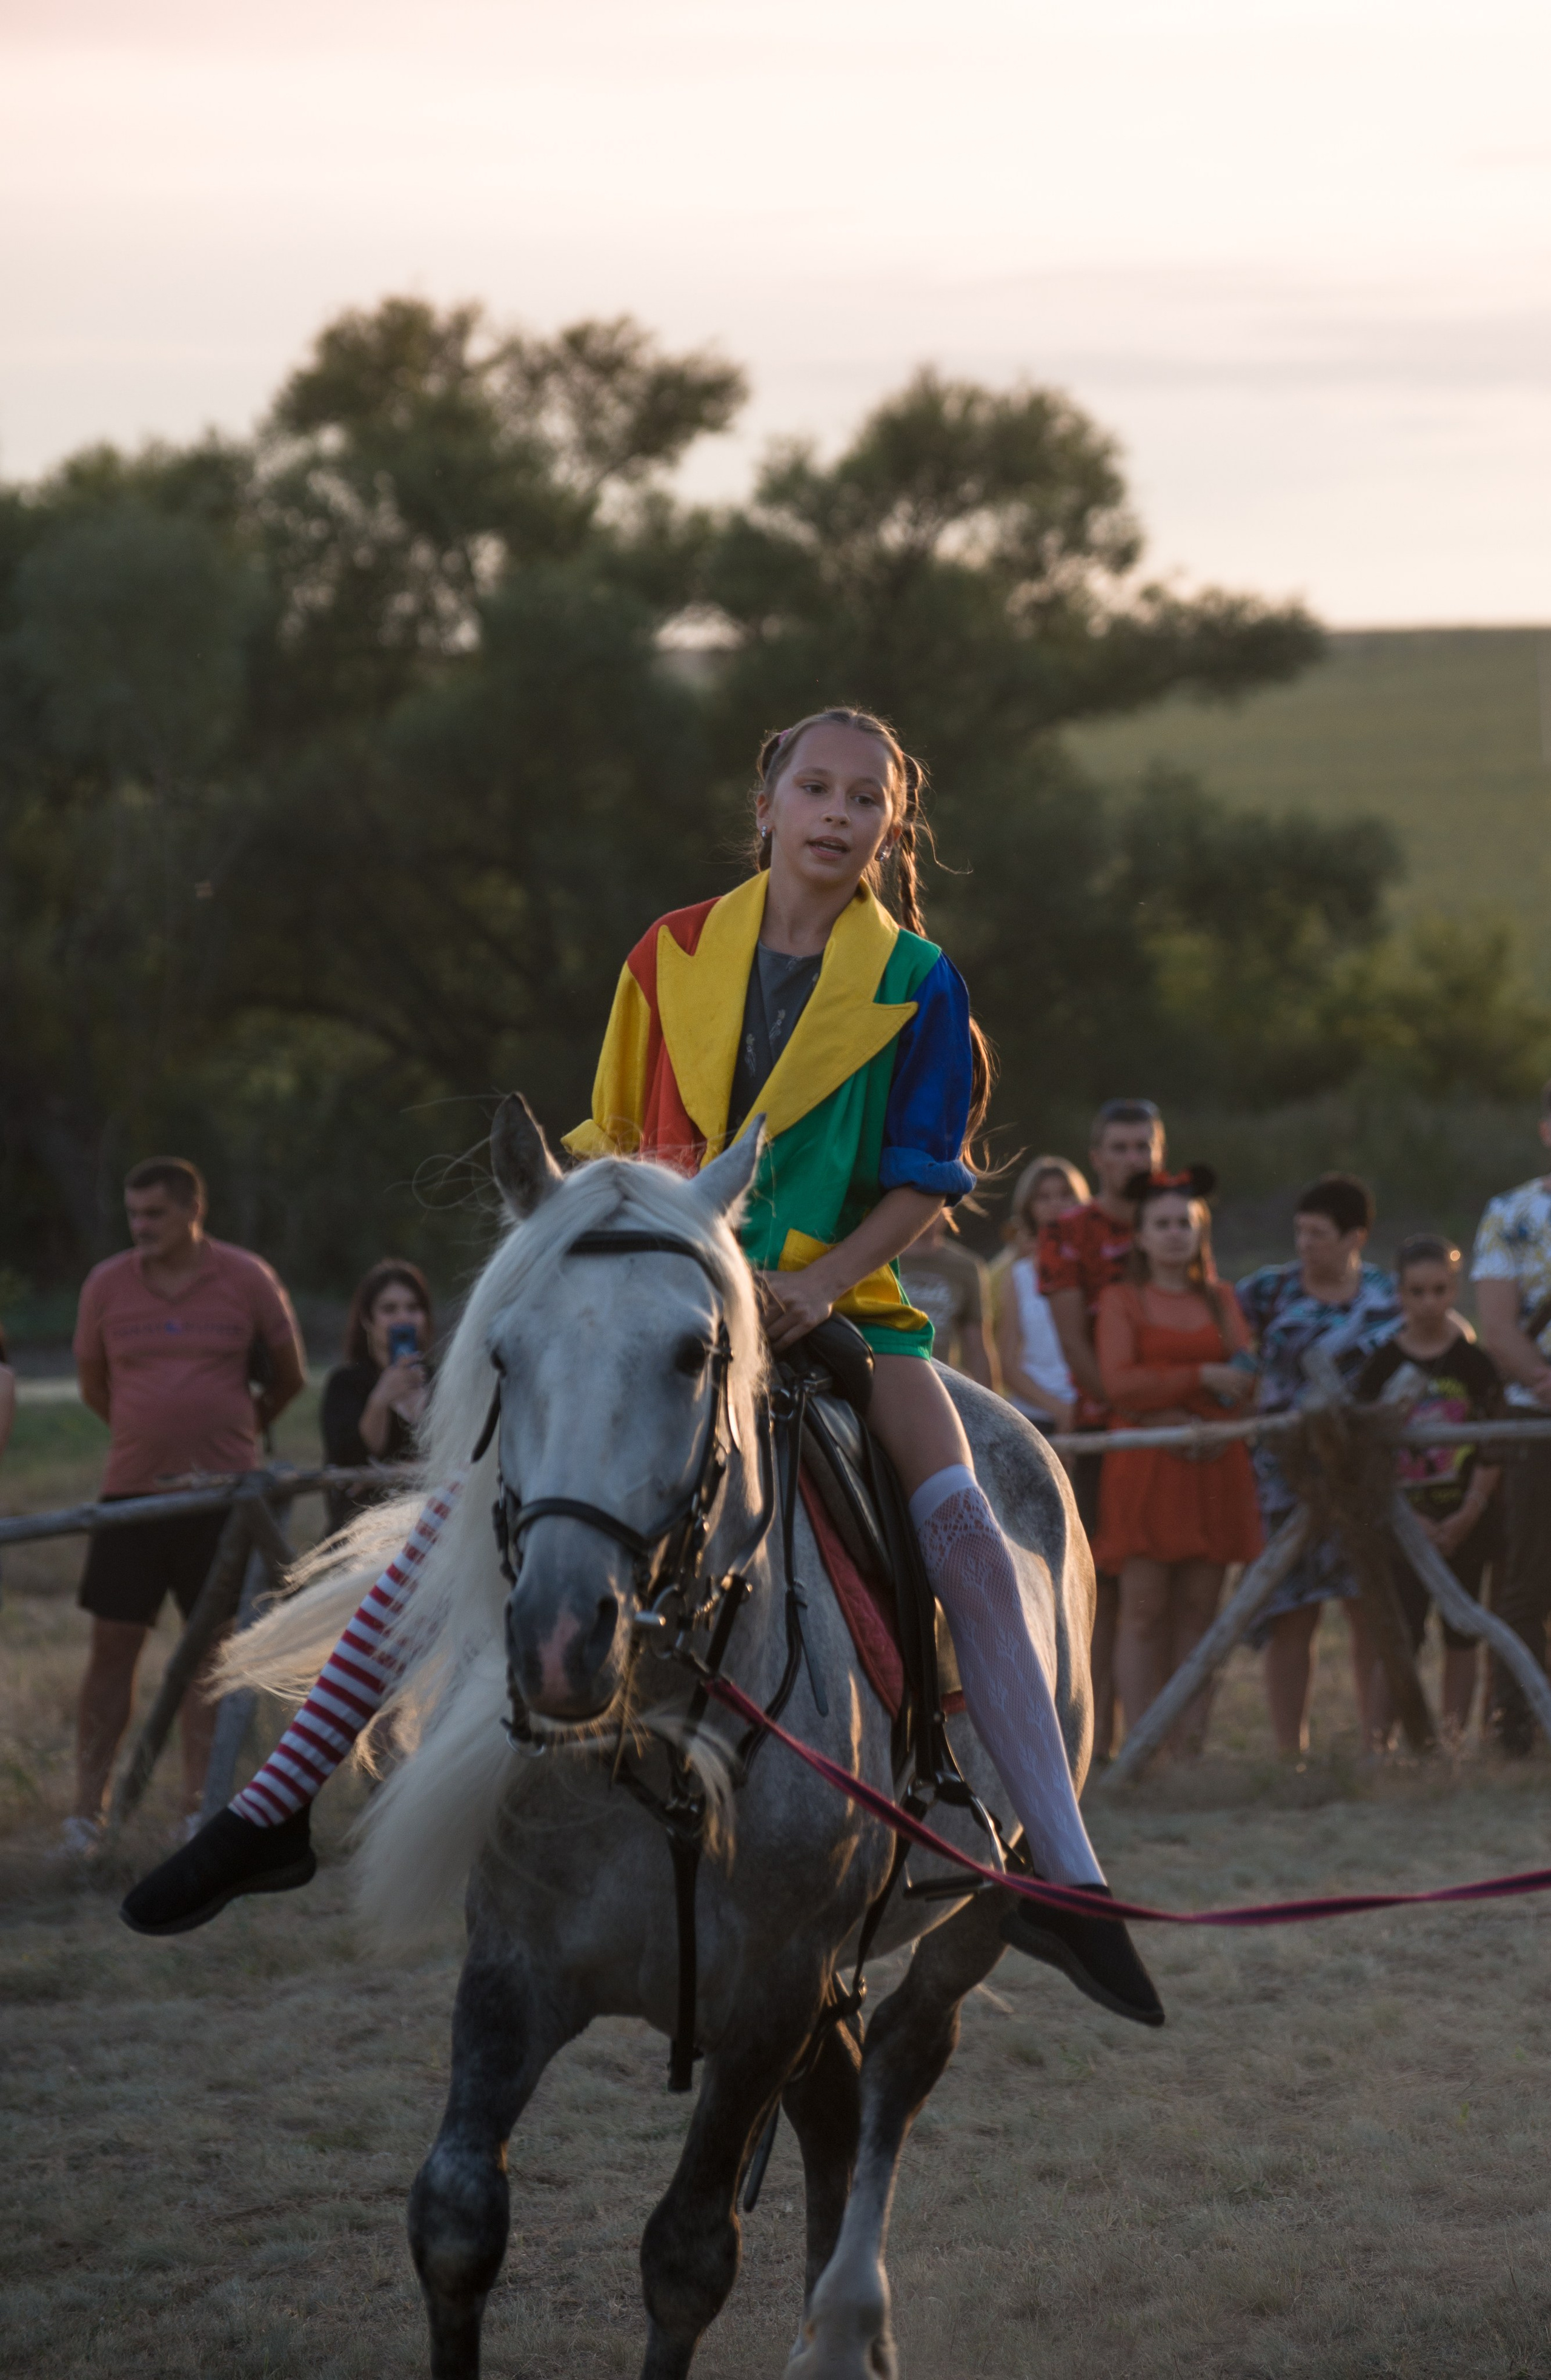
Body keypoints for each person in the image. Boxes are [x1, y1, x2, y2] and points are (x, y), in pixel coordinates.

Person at [123, 706, 1163, 2029]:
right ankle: (270, 1809)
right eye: (816, 788)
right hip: (659, 1290)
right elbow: (609, 1140)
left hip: (842, 1301)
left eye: (866, 799)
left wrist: (819, 1281)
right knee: (456, 1519)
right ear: (770, 802)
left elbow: (927, 1183)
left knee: (963, 1515)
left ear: (889, 827)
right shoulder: (667, 952)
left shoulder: (918, 979)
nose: (838, 815)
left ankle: (1063, 1872)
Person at [67, 1158, 306, 1854]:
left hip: (223, 1498)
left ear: (192, 1211)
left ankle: (198, 1810)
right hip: (131, 1493)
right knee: (113, 1648)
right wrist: (153, 1434)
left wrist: (235, 1430)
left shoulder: (247, 1277)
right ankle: (86, 1813)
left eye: (154, 1214)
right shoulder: (106, 1284)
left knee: (212, 1651)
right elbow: (93, 1385)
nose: (139, 1226)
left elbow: (289, 1375)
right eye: (132, 1213)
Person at [1094, 1168, 1261, 1755]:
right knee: (1143, 1608)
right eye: (1161, 1224)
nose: (1173, 1234)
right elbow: (1119, 1383)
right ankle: (1141, 1745)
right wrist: (1196, 1378)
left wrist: (1209, 1402)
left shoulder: (1220, 1298)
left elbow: (1244, 1379)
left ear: (1199, 1231)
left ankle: (1188, 1746)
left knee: (1198, 1609)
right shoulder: (1122, 1298)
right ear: (1139, 1235)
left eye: (1183, 1224)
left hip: (1213, 1463)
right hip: (1146, 1466)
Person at [1237, 1175, 1400, 1757]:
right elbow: (1228, 1347)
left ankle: (1374, 1748)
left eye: (1321, 1234)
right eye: (1301, 1231)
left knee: (1370, 1609)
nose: (1306, 1243)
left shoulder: (1387, 1294)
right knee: (1292, 1614)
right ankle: (1290, 1755)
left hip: (1365, 1474)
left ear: (1356, 1236)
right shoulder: (1267, 1290)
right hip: (1286, 1478)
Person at [1039, 1098, 1167, 1758]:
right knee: (1102, 1591)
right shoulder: (1066, 1230)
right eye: (1118, 1147)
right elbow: (1073, 1344)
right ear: (1097, 1156)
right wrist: (1123, 1403)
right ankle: (1098, 1745)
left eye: (1142, 1146)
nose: (1131, 1159)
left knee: (1163, 1593)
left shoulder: (1173, 1217)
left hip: (1169, 1430)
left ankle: (1156, 1743)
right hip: (1103, 1430)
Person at [1354, 1235, 1503, 1745]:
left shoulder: (1475, 1365)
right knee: (1399, 1632)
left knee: (1462, 1631)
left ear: (1455, 1290)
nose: (1429, 1303)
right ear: (1399, 1293)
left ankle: (1453, 1742)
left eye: (1439, 1290)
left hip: (1465, 1520)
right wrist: (1406, 1519)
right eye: (1417, 1291)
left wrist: (1469, 1511)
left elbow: (1491, 1447)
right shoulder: (1381, 1366)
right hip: (1402, 1523)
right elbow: (1365, 1455)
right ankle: (1377, 1744)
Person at [1470, 1084, 1551, 1754]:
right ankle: (1517, 1732)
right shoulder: (1511, 1213)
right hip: (1536, 1423)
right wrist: (1539, 1377)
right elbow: (1497, 1328)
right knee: (1528, 1579)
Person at [321, 1260, 434, 1536]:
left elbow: (459, 1456)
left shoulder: (442, 1381)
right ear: (367, 1319)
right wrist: (381, 1400)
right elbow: (351, 1465)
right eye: (389, 1309)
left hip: (431, 1524)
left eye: (413, 1308)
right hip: (364, 1529)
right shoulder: (346, 1384)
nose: (403, 1318)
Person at [994, 1157, 1085, 1433]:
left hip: (1092, 1412)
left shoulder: (1098, 1271)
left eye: (1065, 1195)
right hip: (1034, 1418)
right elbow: (1007, 1365)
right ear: (1029, 1207)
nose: (1056, 1204)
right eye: (1044, 1197)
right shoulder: (1017, 1276)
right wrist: (1057, 1408)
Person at [897, 1208, 995, 1385]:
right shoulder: (879, 1259)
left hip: (942, 1383)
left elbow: (976, 1345)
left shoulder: (965, 1266)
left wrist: (991, 1403)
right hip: (890, 1377)